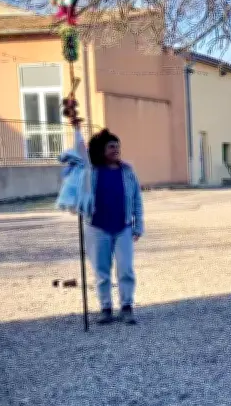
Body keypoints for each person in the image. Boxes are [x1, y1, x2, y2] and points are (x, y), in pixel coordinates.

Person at [83, 128, 144, 325]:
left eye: (117, 146)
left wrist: (138, 225)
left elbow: (137, 199)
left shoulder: (127, 171)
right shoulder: (91, 172)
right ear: (102, 150)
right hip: (97, 227)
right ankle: (106, 308)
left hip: (123, 227)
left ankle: (126, 306)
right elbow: (79, 193)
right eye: (111, 147)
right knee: (102, 271)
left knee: (126, 269)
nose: (116, 150)